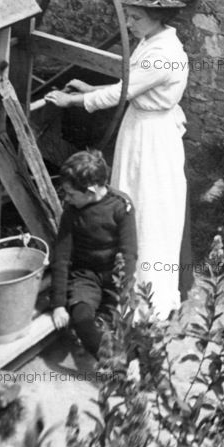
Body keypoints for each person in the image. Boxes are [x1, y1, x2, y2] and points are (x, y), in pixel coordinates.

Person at [46, 0, 189, 319]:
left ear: (158, 16)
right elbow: (130, 84)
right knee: (131, 198)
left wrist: (73, 100)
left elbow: (120, 94)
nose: (129, 23)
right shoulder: (151, 40)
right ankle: (122, 285)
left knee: (148, 209)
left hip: (152, 139)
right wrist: (88, 85)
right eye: (130, 15)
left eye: (136, 17)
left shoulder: (165, 54)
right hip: (140, 127)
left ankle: (146, 301)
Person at [50, 149, 137, 357]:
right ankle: (111, 363)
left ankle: (131, 362)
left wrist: (123, 289)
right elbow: (61, 258)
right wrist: (59, 305)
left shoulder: (121, 207)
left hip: (114, 274)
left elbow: (129, 253)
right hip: (86, 276)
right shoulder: (72, 212)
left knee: (120, 323)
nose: (67, 199)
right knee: (81, 319)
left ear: (90, 191)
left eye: (71, 194)